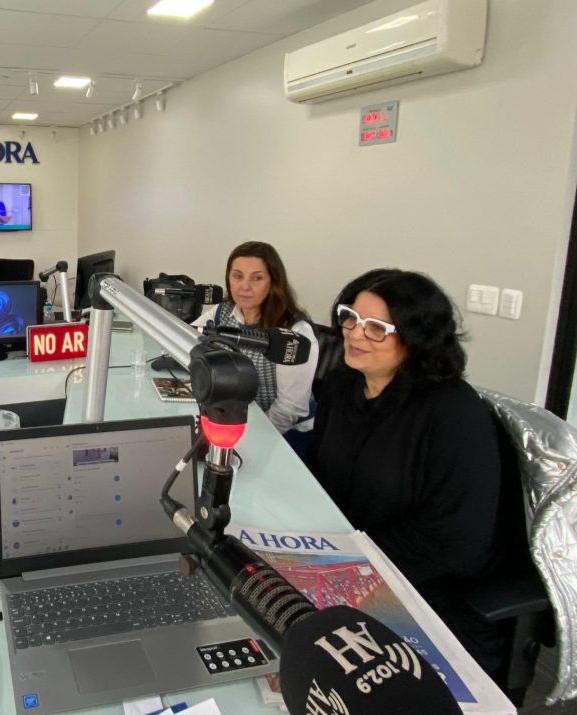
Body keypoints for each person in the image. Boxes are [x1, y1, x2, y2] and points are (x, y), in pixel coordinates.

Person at [307, 269, 512, 673]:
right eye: (350, 316)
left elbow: (456, 541)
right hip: (349, 562)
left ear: (416, 339)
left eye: (377, 327)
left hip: (427, 587)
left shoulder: (454, 412)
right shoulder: (342, 385)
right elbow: (321, 475)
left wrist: (348, 570)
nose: (354, 333)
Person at [195, 242, 318, 446]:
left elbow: (289, 409)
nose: (245, 286)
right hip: (237, 420)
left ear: (273, 283)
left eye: (257, 278)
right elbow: (184, 337)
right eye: (237, 276)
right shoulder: (221, 312)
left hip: (285, 433)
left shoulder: (295, 332)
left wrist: (247, 441)